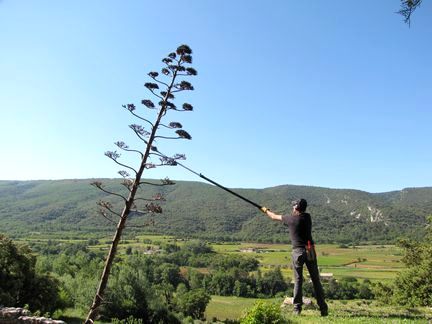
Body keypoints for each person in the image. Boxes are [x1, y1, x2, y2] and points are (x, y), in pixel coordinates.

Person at [262, 199, 328, 316]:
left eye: (294, 206)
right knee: (316, 280)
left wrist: (265, 210)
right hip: (310, 250)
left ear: (296, 208)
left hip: (298, 251)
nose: (292, 208)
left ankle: (297, 308)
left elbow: (273, 217)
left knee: (298, 280)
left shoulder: (290, 219)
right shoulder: (308, 217)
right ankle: (323, 308)